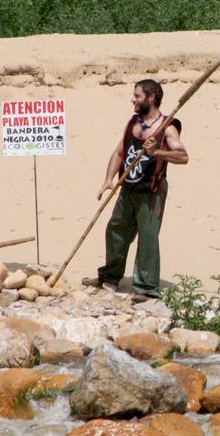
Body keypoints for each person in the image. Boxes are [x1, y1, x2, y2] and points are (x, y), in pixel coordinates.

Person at [81, 79, 188, 302]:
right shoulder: (134, 123)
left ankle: (146, 288)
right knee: (116, 231)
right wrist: (108, 179)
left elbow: (182, 156)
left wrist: (156, 153)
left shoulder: (166, 127)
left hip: (151, 191)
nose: (133, 99)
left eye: (137, 96)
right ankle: (109, 277)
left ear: (151, 97)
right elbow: (119, 152)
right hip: (127, 187)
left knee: (148, 239)